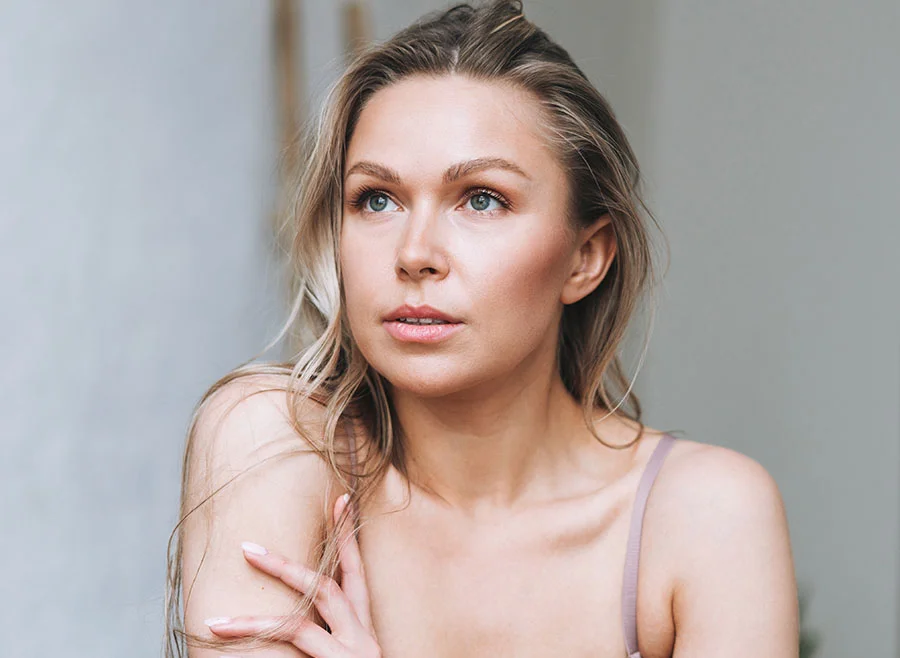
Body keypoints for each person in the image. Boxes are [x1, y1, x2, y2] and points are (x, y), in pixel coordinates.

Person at [164, 1, 799, 656]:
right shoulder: (273, 444)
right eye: (376, 199)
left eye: (482, 199)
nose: (414, 253)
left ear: (586, 257)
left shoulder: (706, 515)